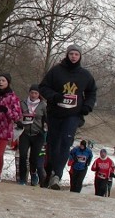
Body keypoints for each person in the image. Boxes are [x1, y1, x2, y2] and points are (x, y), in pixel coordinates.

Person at [39, 44, 98, 190]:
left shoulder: (85, 75)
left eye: (76, 54)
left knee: (66, 142)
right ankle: (49, 171)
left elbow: (92, 92)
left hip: (73, 115)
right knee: (53, 144)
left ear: (80, 56)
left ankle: (57, 175)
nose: (73, 56)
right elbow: (43, 87)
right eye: (71, 54)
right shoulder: (56, 71)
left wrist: (87, 106)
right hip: (55, 113)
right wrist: (55, 97)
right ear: (67, 55)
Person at [16, 84, 47, 186]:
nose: (33, 95)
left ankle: (33, 173)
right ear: (29, 93)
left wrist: (46, 129)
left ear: (39, 94)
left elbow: (47, 119)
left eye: (36, 93)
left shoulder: (43, 105)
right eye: (32, 93)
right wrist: (19, 122)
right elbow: (17, 115)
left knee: (33, 158)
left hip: (37, 134)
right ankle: (22, 178)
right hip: (25, 133)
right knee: (23, 156)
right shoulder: (23, 103)